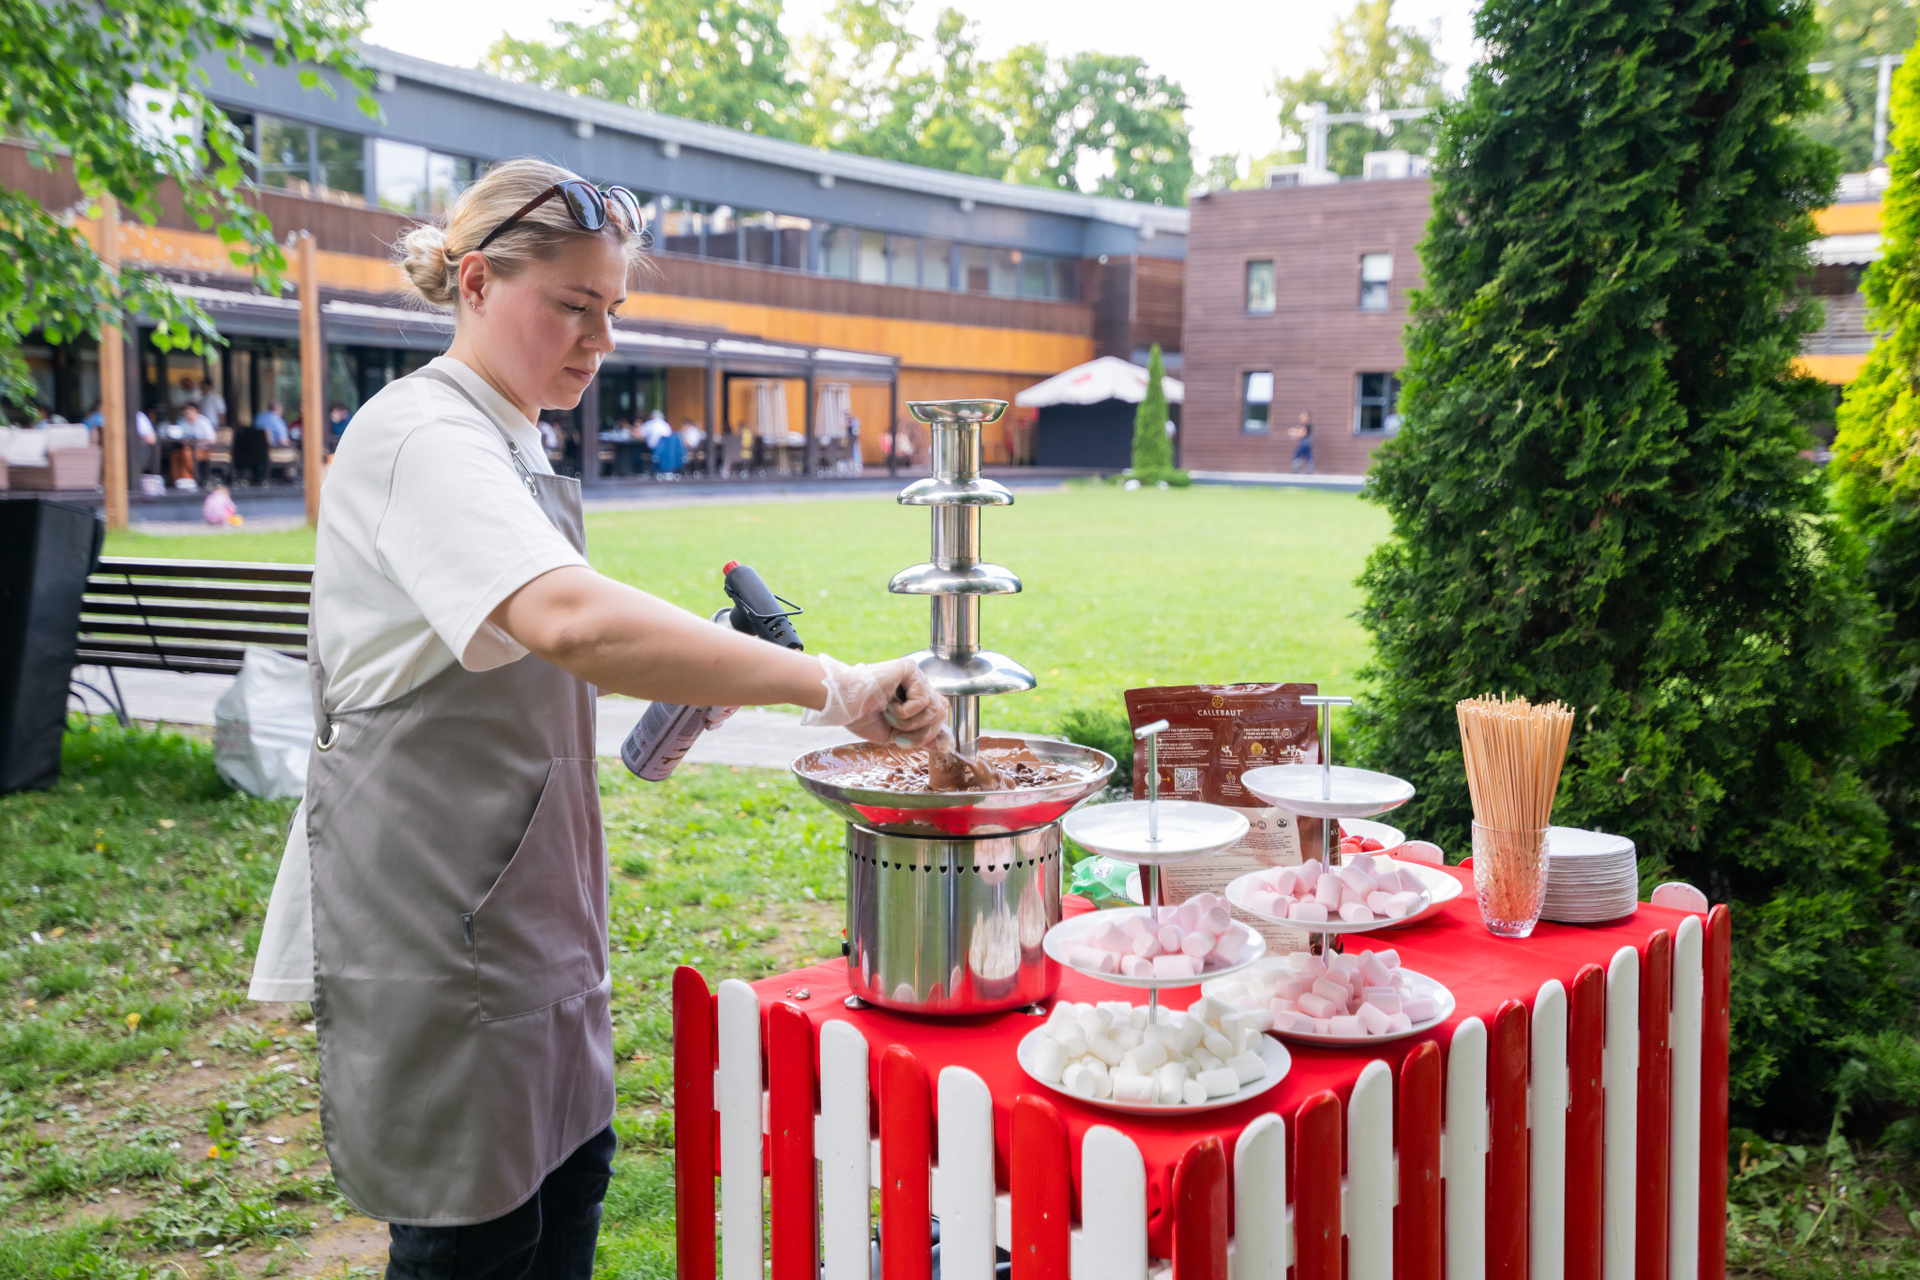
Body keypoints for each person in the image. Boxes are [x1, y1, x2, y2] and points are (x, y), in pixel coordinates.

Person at [243, 157, 947, 1279]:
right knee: (475, 1232)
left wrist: (703, 685)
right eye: (575, 304)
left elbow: (545, 648)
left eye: (612, 307)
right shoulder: (422, 435)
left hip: (531, 897)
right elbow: (568, 619)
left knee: (569, 1185)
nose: (602, 339)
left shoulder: (513, 437)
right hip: (433, 905)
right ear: (478, 282)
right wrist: (833, 685)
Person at [1288, 411, 1314, 475]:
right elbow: (1300, 431)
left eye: (1302, 417)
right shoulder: (1306, 426)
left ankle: (1296, 470)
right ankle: (1309, 470)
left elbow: (1302, 434)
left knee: (1297, 455)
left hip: (1304, 444)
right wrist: (1295, 431)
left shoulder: (1307, 426)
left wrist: (1293, 432)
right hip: (1308, 444)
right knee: (1308, 456)